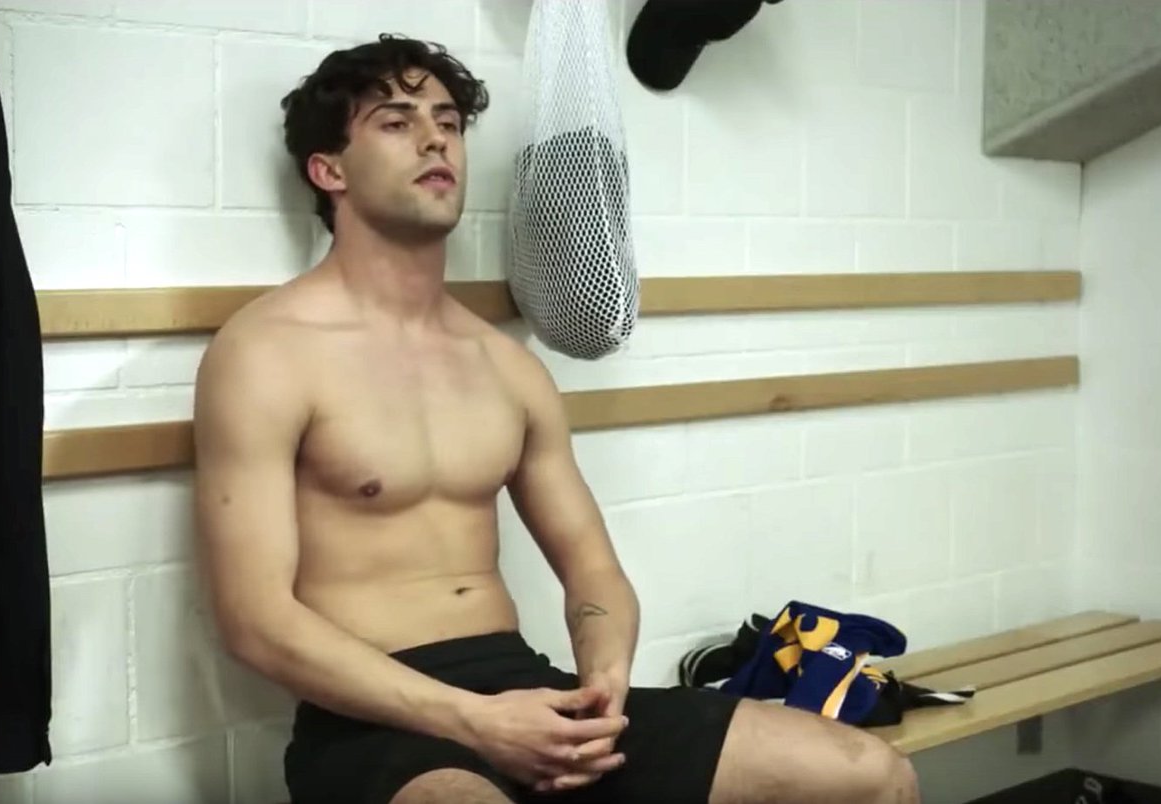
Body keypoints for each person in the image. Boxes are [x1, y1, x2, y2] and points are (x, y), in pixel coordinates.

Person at [191, 34, 921, 804]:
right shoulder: (267, 353)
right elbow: (254, 621)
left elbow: (593, 570)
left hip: (526, 692)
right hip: (373, 726)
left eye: (448, 121)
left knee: (870, 776)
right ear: (328, 170)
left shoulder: (505, 366)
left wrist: (603, 689)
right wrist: (475, 722)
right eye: (397, 122)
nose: (436, 138)